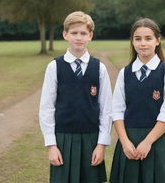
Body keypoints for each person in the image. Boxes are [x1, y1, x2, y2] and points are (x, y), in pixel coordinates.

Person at [39, 11, 112, 183]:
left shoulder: (99, 68)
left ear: (90, 36)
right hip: (63, 139)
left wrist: (101, 145)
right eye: (74, 33)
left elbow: (106, 110)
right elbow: (46, 108)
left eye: (83, 33)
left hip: (91, 140)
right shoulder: (54, 67)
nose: (78, 37)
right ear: (65, 34)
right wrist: (51, 146)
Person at [110, 18, 165, 183]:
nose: (143, 43)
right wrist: (124, 141)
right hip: (129, 143)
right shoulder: (124, 73)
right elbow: (117, 110)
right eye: (138, 38)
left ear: (157, 41)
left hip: (158, 142)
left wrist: (148, 142)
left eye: (148, 38)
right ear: (132, 42)